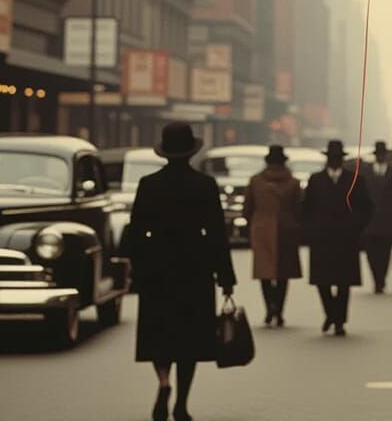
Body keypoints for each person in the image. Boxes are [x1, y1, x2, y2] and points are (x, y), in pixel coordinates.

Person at [127, 122, 235, 421]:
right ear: (191, 152)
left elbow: (135, 232)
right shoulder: (205, 185)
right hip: (195, 267)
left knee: (159, 332)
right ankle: (182, 403)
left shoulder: (148, 184)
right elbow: (216, 234)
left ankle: (163, 382)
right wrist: (225, 277)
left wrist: (138, 267)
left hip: (157, 266)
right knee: (190, 338)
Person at [302, 139, 372, 336]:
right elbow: (306, 208)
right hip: (321, 239)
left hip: (346, 239)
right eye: (331, 159)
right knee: (322, 282)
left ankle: (339, 320)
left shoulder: (355, 179)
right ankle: (330, 314)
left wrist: (356, 227)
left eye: (336, 159)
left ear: (341, 160)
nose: (333, 162)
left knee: (343, 283)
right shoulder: (315, 180)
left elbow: (366, 207)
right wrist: (310, 230)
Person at [243, 145, 302, 326]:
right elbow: (299, 209)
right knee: (283, 274)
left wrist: (254, 222)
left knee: (265, 273)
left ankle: (269, 307)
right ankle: (279, 309)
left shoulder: (256, 181)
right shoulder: (293, 183)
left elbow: (247, 209)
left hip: (262, 230)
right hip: (286, 230)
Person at [361, 140, 392, 293]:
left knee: (386, 252)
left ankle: (381, 279)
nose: (381, 157)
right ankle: (376, 278)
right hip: (368, 220)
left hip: (388, 219)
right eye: (378, 155)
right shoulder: (364, 172)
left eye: (382, 155)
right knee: (370, 253)